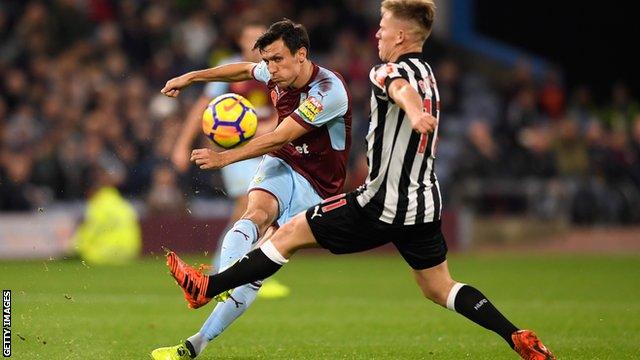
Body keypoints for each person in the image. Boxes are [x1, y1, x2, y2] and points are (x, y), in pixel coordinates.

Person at [162, 1, 556, 359]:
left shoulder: (369, 75)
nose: (377, 34)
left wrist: (415, 114)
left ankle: (208, 287)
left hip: (379, 199)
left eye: (383, 28)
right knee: (440, 288)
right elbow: (247, 69)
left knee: (287, 235)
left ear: (401, 35)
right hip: (423, 201)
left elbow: (395, 90)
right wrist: (194, 76)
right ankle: (516, 335)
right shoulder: (429, 73)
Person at [152, 19, 352, 359]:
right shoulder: (274, 73)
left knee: (257, 271)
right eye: (268, 61)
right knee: (254, 213)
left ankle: (197, 340)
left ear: (301, 54)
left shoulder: (327, 91)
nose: (270, 68)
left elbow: (280, 135)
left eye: (277, 60)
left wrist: (223, 158)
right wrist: (192, 77)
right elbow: (243, 70)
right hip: (283, 163)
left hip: (318, 188)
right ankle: (208, 295)